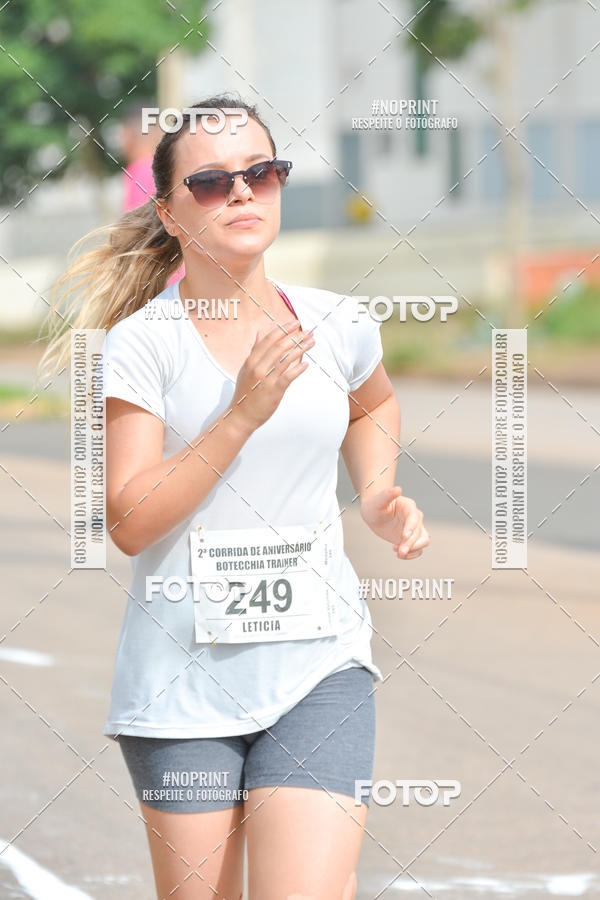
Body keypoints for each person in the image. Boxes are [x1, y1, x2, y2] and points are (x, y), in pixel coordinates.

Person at [40, 94, 429, 900]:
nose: (245, 192)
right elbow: (130, 520)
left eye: (263, 172)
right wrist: (242, 412)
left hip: (319, 662)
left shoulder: (339, 323)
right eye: (214, 182)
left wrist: (380, 488)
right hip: (181, 686)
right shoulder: (144, 344)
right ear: (172, 212)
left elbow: (374, 402)